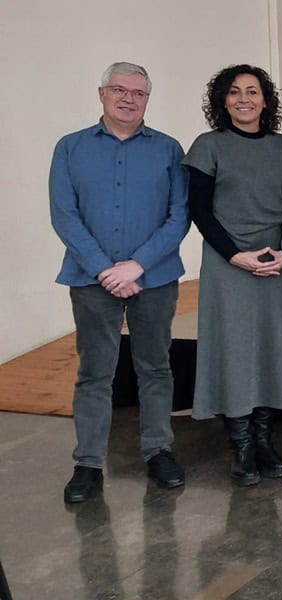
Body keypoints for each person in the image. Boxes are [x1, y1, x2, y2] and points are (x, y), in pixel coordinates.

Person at [49, 62, 190, 503]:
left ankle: (158, 450)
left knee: (155, 367)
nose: (129, 98)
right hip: (92, 282)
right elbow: (64, 216)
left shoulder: (169, 150)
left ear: (149, 98)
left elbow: (179, 216)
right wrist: (105, 269)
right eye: (119, 90)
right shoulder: (70, 148)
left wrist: (137, 266)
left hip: (155, 280)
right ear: (101, 93)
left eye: (139, 92)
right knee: (95, 372)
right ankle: (88, 462)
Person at [183, 64, 282, 486]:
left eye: (252, 92)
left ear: (265, 100)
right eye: (234, 92)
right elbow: (198, 211)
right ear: (223, 101)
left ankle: (265, 441)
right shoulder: (207, 146)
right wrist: (236, 256)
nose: (244, 99)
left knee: (271, 349)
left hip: (276, 262)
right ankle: (241, 447)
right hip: (227, 264)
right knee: (234, 351)